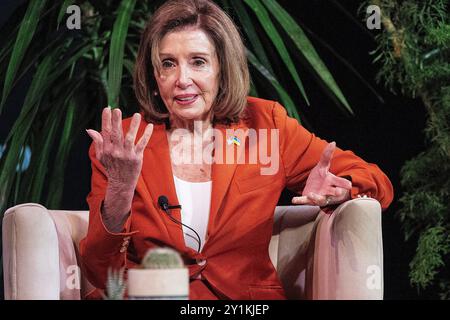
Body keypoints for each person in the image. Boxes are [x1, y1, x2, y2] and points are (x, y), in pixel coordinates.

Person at [81, 0, 393, 300]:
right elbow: (100, 271)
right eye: (168, 64)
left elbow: (376, 181)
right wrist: (121, 189)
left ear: (222, 69)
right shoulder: (123, 145)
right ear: (154, 76)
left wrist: (340, 191)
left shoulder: (266, 126)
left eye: (198, 62)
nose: (182, 79)